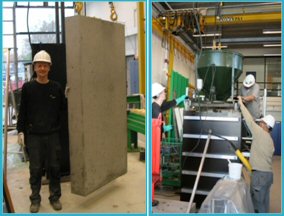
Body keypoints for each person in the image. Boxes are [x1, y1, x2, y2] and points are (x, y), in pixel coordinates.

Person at [17, 50, 66, 213]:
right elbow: (22, 111)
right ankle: (35, 199)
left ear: (49, 67)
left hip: (52, 135)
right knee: (35, 169)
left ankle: (55, 197)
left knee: (54, 167)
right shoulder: (28, 88)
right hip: (34, 136)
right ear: (35, 68)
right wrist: (20, 131)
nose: (42, 68)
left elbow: (62, 110)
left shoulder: (56, 87)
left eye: (45, 65)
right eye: (39, 66)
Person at [238, 96, 275, 213]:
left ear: (266, 125)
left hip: (260, 176)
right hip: (268, 176)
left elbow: (249, 120)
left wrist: (241, 104)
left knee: (257, 205)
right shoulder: (270, 140)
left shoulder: (260, 133)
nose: (259, 124)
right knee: (264, 202)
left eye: (261, 123)